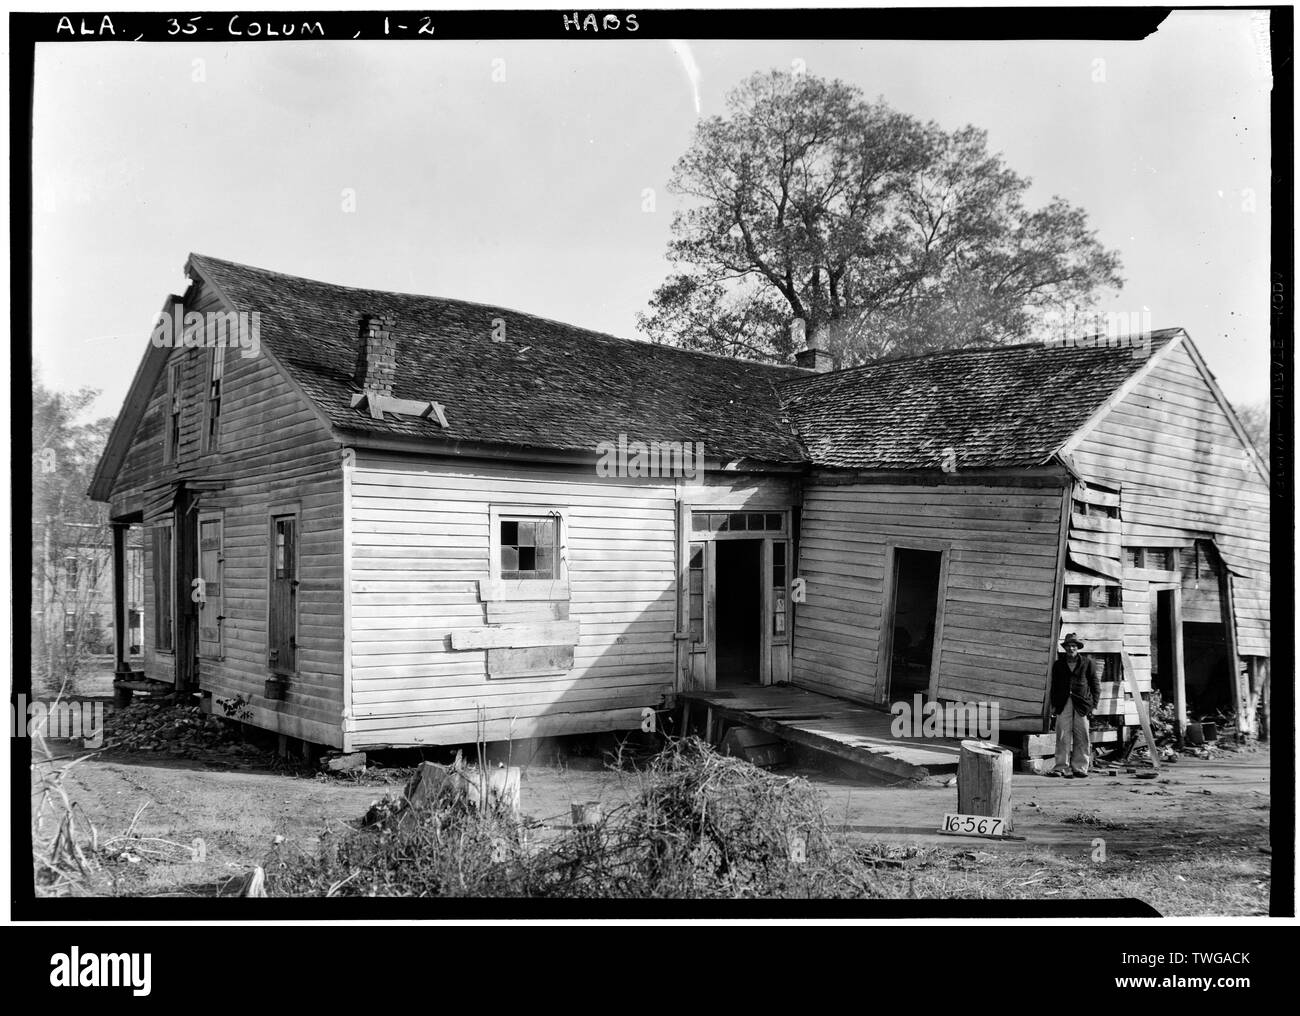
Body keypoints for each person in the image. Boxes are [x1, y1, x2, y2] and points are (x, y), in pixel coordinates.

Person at [1048, 632, 1099, 778]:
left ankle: (1080, 767)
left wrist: (1093, 705)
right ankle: (1061, 767)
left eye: (1074, 646)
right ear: (1065, 648)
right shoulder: (1059, 665)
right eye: (1069, 646)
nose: (1071, 649)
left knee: (1082, 735)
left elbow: (1095, 685)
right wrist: (1053, 705)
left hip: (1082, 704)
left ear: (1078, 648)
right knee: (1062, 735)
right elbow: (1054, 686)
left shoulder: (1088, 663)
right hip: (1063, 703)